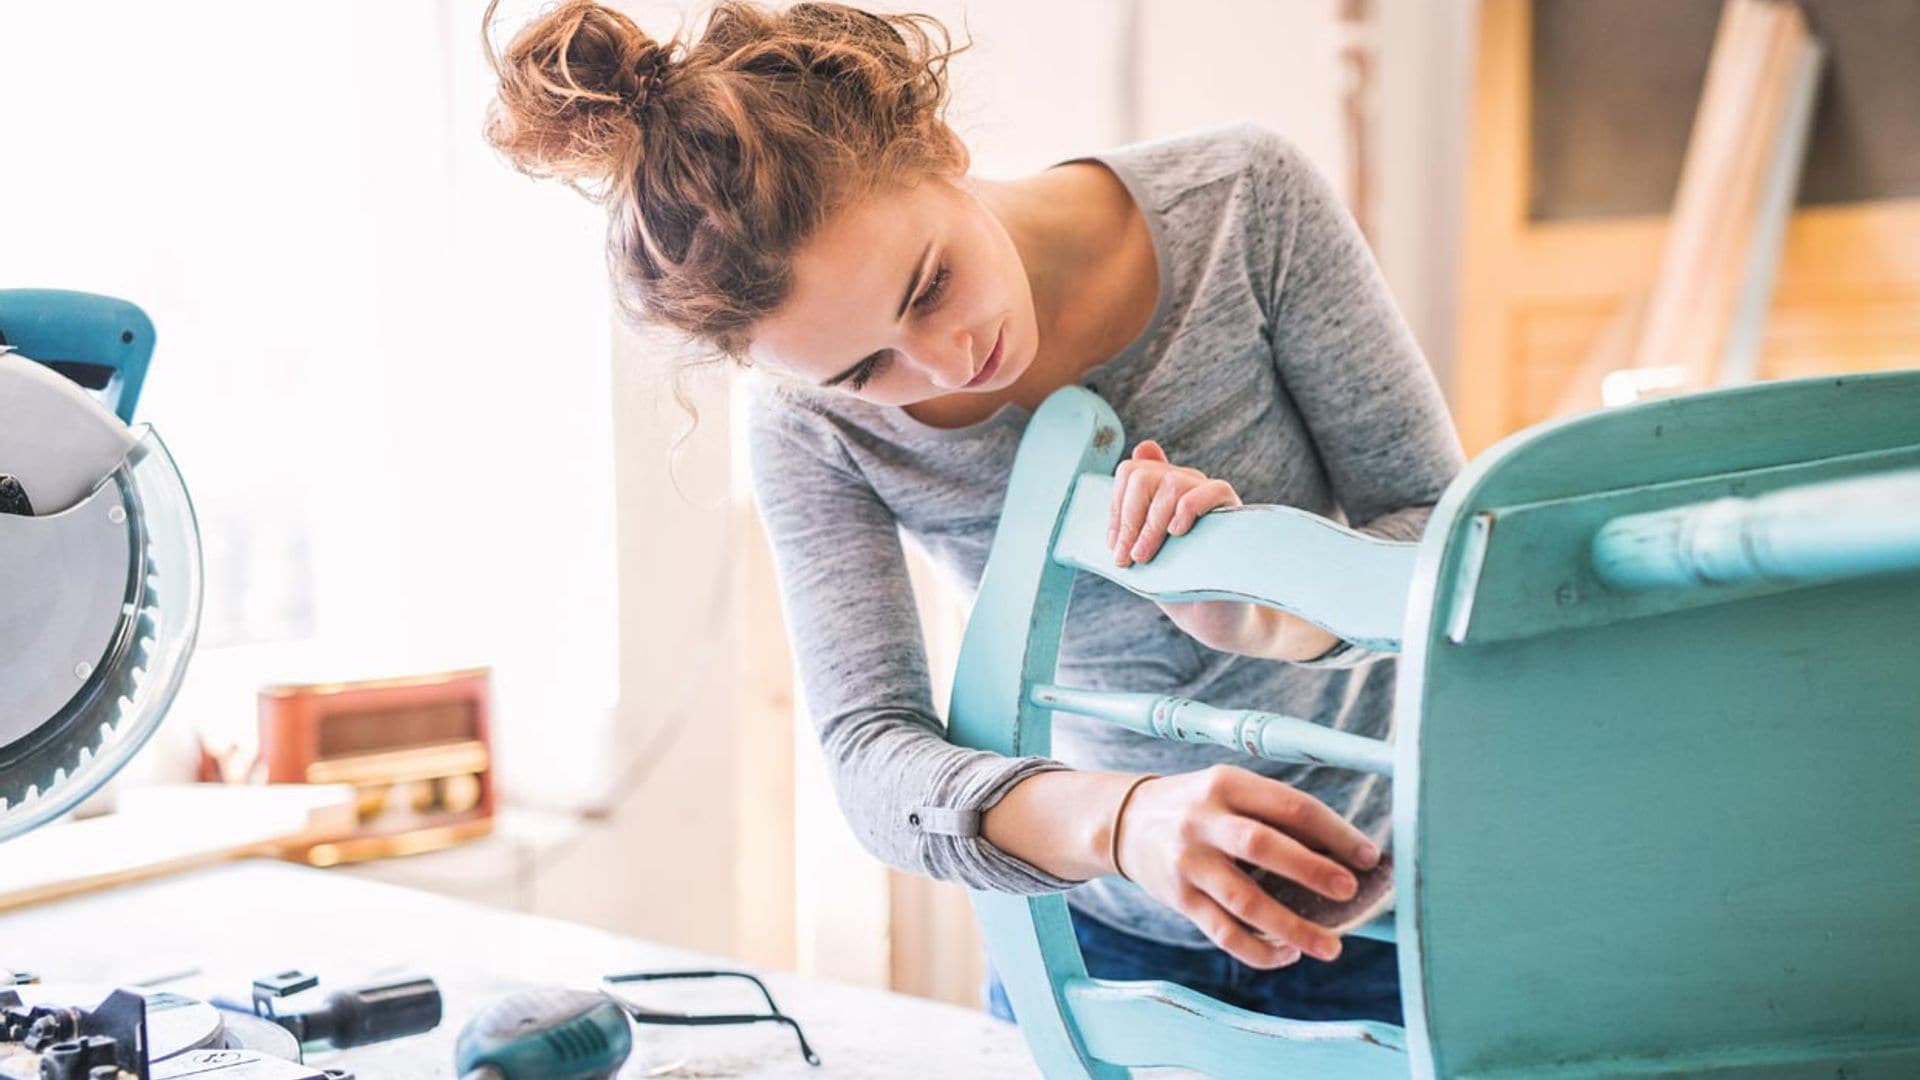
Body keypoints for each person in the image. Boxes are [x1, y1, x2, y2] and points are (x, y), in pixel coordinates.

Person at [483, 0, 1464, 1025]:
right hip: (1094, 955)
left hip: (1415, 918)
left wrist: (1264, 609)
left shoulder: (1244, 205)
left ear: (938, 148)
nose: (947, 360)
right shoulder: (813, 428)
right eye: (866, 368)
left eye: (930, 282)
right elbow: (869, 753)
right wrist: (1122, 823)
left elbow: (1443, 535)